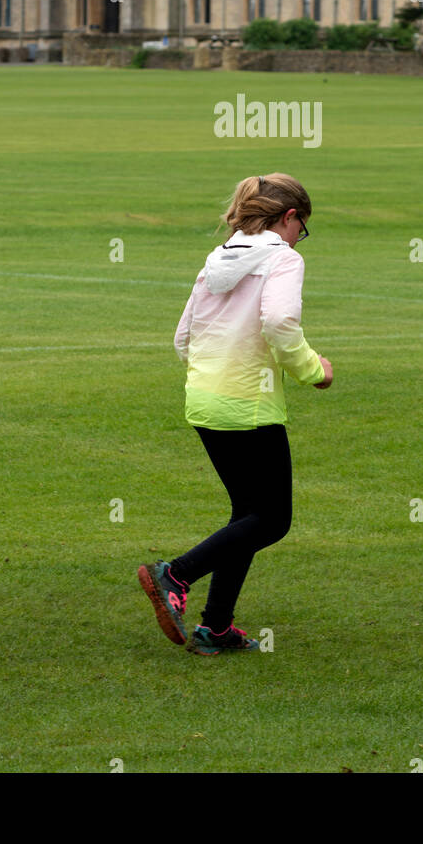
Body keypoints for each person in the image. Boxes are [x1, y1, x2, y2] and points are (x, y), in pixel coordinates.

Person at [138, 173, 333, 656]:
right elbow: (279, 322)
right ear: (289, 217)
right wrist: (315, 371)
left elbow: (183, 337)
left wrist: (213, 376)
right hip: (248, 404)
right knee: (272, 520)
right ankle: (175, 574)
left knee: (246, 514)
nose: (298, 238)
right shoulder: (283, 259)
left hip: (203, 401)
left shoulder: (215, 261)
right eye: (300, 227)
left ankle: (216, 628)